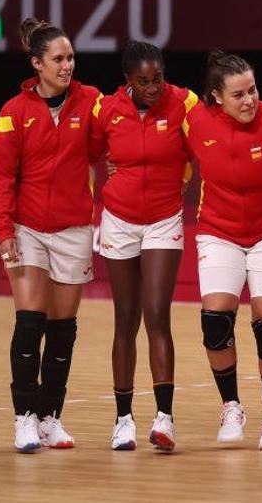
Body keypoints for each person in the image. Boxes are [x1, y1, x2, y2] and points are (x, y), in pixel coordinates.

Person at [0, 18, 101, 452]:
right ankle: (23, 419)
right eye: (58, 59)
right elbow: (0, 177)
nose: (67, 65)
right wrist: (4, 230)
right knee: (29, 322)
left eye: (71, 57)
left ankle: (51, 418)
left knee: (62, 329)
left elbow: (112, 135)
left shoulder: (90, 100)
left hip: (73, 228)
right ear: (37, 64)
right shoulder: (12, 113)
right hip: (26, 228)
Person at [184, 51, 262, 451]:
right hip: (219, 231)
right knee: (215, 322)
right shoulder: (194, 120)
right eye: (238, 94)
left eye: (252, 90)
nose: (249, 100)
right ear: (216, 95)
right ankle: (231, 406)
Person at [90, 41, 197, 452]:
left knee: (156, 314)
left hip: (164, 218)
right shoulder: (107, 109)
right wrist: (108, 169)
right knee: (125, 317)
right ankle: (123, 420)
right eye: (143, 82)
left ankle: (165, 418)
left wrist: (186, 171)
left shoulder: (183, 102)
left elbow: (205, 142)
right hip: (118, 219)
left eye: (158, 79)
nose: (153, 88)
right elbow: (90, 149)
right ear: (127, 81)